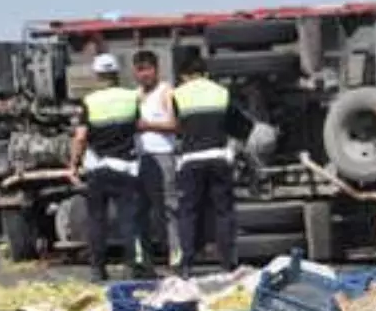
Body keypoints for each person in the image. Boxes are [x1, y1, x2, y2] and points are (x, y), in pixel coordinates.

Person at [70, 53, 152, 282]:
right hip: (126, 167)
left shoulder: (90, 101)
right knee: (129, 219)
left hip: (98, 168)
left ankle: (98, 269)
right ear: (117, 73)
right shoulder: (131, 97)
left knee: (97, 220)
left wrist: (73, 165)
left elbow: (81, 137)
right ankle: (133, 267)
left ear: (97, 75)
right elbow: (137, 127)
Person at [171, 54, 252, 279]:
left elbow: (175, 126)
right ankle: (227, 261)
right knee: (223, 211)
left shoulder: (177, 95)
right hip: (218, 158)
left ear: (184, 75)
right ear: (205, 73)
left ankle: (187, 262)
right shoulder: (221, 92)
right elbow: (241, 127)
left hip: (191, 160)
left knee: (188, 211)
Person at [132, 50, 181, 271]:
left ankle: (176, 255)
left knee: (169, 207)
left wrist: (148, 126)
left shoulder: (167, 92)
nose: (144, 75)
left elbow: (176, 125)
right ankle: (146, 259)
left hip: (163, 156)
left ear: (156, 69)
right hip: (141, 157)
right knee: (141, 208)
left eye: (147, 69)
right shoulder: (135, 96)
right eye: (140, 70)